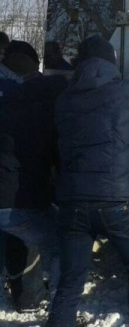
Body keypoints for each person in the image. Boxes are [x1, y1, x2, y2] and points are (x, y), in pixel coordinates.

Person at [47, 36, 129, 327]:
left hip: (72, 203)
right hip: (116, 203)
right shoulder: (127, 91)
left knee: (71, 279)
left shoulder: (64, 99)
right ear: (112, 61)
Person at [0, 42, 65, 311]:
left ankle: (27, 295)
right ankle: (59, 309)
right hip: (18, 201)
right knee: (65, 241)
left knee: (16, 235)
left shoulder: (8, 105)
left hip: (10, 200)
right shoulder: (38, 110)